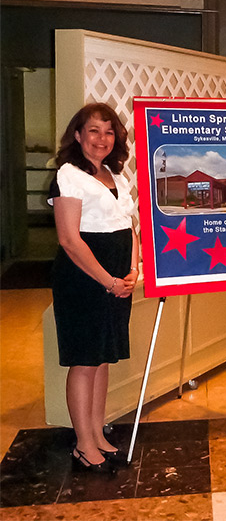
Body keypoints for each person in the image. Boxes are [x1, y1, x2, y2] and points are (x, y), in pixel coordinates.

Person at [49, 103, 139, 473]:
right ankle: (83, 444)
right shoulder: (68, 175)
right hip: (84, 279)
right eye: (93, 131)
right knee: (85, 361)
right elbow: (70, 240)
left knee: (102, 359)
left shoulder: (114, 174)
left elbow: (128, 226)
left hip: (116, 278)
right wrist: (109, 281)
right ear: (77, 135)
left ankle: (97, 434)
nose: (102, 139)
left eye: (108, 131)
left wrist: (133, 271)